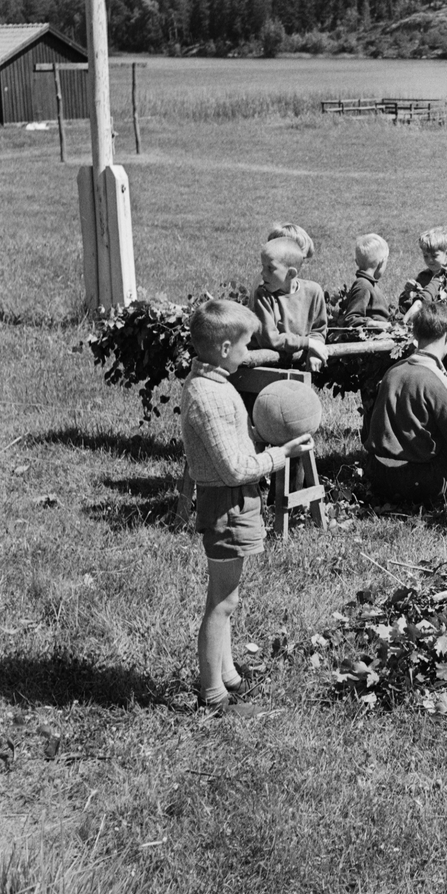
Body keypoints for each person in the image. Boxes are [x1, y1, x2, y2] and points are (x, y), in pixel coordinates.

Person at [181, 300, 313, 713]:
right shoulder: (208, 395)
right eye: (244, 345)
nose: (249, 352)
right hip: (228, 502)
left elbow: (233, 446)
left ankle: (229, 674)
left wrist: (259, 434)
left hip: (234, 498)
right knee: (222, 603)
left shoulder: (214, 383)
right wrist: (281, 454)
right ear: (223, 348)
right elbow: (236, 467)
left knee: (228, 598)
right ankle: (213, 693)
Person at [364, 301, 447, 504]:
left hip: (376, 475)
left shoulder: (392, 373)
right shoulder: (441, 385)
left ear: (415, 334)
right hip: (417, 483)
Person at [251, 236, 328, 372]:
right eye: (263, 266)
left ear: (291, 273)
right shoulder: (263, 296)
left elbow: (318, 330)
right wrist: (308, 343)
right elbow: (270, 339)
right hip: (262, 369)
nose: (263, 273)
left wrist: (315, 350)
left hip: (296, 367)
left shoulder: (313, 292)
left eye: (270, 268)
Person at [398, 226, 447, 316]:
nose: (430, 260)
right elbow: (406, 309)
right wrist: (408, 294)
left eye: (434, 256)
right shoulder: (423, 277)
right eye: (425, 256)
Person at [338, 233, 390, 327]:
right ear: (381, 262)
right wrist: (373, 324)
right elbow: (351, 319)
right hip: (372, 339)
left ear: (357, 262)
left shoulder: (369, 284)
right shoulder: (363, 285)